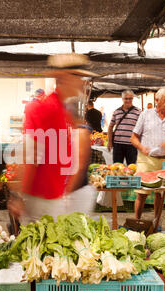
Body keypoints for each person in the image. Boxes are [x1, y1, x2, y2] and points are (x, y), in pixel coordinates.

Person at [8, 53, 98, 225]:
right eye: (78, 76)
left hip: (54, 198)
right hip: (40, 200)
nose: (83, 82)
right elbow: (29, 156)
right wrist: (18, 196)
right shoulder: (45, 109)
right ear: (63, 77)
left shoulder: (64, 112)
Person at [130, 88, 165, 220]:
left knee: (160, 194)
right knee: (141, 193)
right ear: (157, 100)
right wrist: (141, 147)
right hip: (147, 159)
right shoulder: (145, 115)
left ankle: (156, 223)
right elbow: (133, 137)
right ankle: (137, 221)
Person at [107, 90, 141, 165]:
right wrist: (109, 142)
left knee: (131, 167)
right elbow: (110, 127)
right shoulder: (117, 111)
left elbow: (142, 128)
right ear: (122, 99)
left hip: (132, 145)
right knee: (117, 167)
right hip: (117, 144)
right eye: (126, 98)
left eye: (130, 98)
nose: (128, 100)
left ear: (132, 99)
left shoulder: (138, 112)